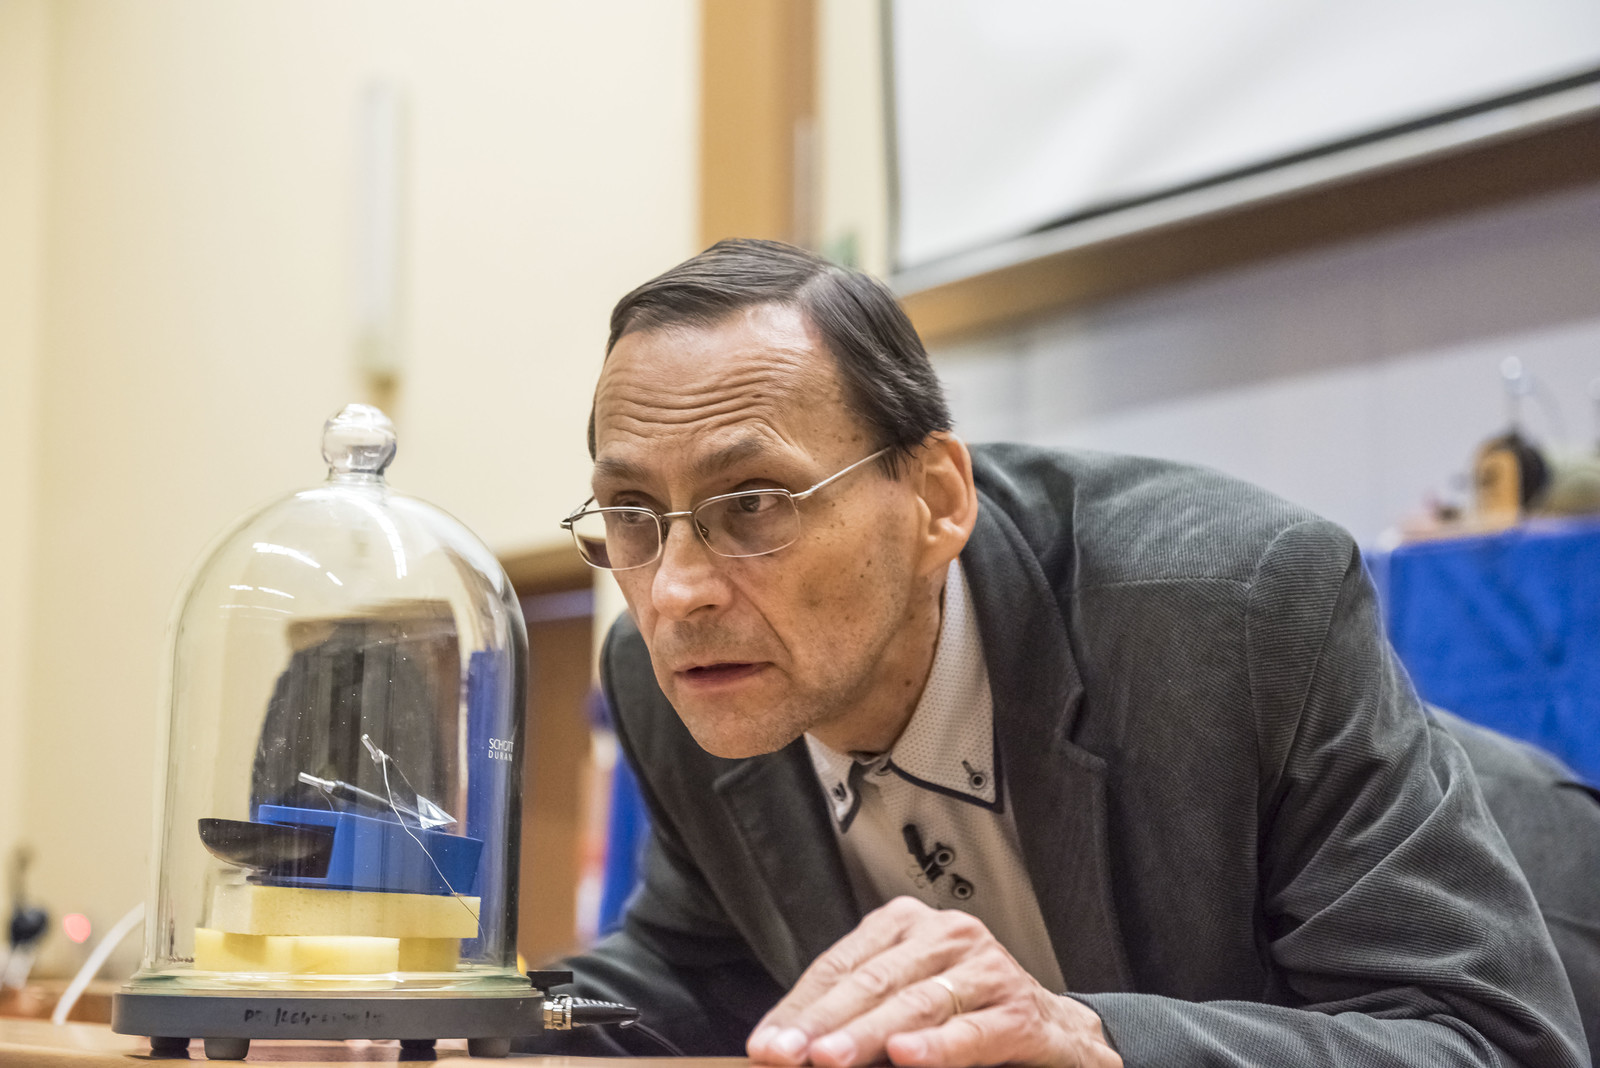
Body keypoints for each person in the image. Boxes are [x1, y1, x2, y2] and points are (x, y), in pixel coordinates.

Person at [527, 239, 1592, 1067]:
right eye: (631, 514)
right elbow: (697, 969)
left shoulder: (1229, 607)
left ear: (936, 499)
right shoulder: (674, 681)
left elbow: (1483, 1040)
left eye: (754, 503)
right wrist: (495, 1015)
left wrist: (1089, 1036)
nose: (676, 591)